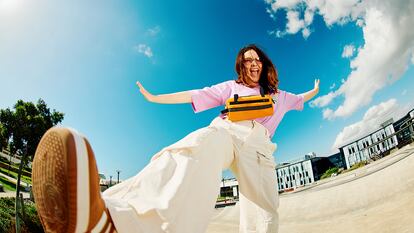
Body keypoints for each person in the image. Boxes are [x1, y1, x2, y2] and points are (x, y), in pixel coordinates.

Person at [31, 44, 319, 233]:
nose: (252, 64)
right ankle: (114, 220)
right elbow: (195, 94)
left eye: (257, 60)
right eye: (247, 61)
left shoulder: (279, 97)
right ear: (241, 67)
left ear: (264, 64)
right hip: (228, 131)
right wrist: (156, 97)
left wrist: (314, 90)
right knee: (191, 153)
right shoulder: (230, 87)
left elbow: (301, 98)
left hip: (259, 149)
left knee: (265, 212)